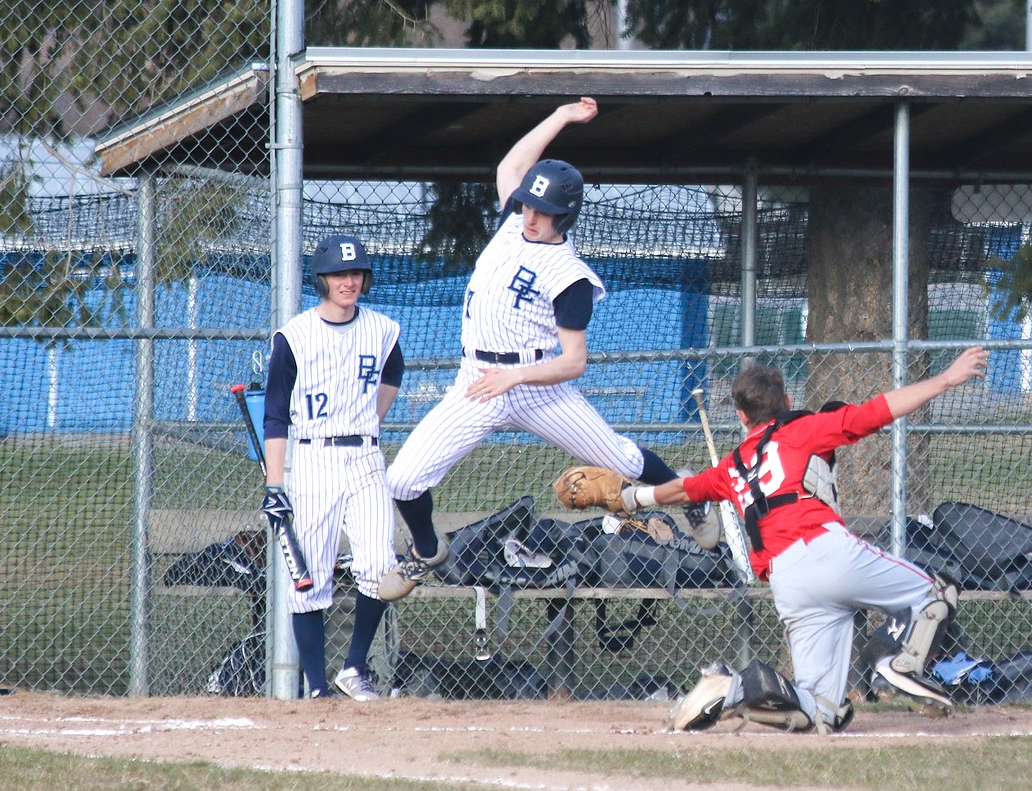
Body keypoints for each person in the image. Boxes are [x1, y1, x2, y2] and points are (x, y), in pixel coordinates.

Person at [379, 96, 718, 602]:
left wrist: (515, 379)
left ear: (567, 216)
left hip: (539, 389)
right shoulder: (512, 225)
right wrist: (560, 118)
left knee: (623, 459)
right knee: (402, 480)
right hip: (477, 381)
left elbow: (574, 361)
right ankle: (427, 550)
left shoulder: (571, 277)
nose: (532, 215)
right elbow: (510, 167)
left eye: (545, 210)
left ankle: (690, 495)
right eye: (530, 204)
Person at [610, 346, 990, 733]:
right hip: (825, 551)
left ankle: (733, 688)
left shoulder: (733, 465)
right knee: (936, 594)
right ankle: (900, 665)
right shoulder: (803, 430)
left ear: (742, 417)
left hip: (787, 581)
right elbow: (878, 410)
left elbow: (684, 490)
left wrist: (630, 497)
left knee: (824, 712)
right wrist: (945, 379)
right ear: (788, 402)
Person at [262, 234, 404, 700]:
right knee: (309, 578)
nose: (350, 281)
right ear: (321, 279)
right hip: (312, 458)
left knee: (380, 562)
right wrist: (275, 483)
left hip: (364, 455)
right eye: (340, 274)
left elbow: (392, 373)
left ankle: (354, 667)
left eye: (357, 273)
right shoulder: (294, 336)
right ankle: (319, 688)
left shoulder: (382, 329)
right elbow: (276, 415)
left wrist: (370, 421)